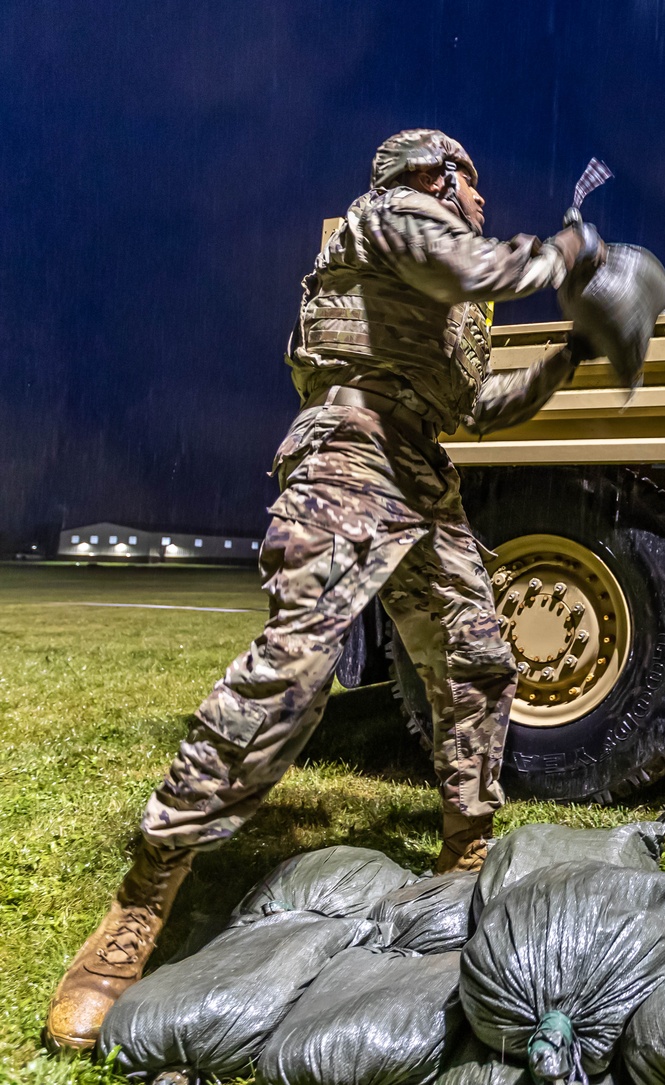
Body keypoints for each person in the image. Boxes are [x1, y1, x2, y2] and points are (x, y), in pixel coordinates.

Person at [45, 128, 604, 1052]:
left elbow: (477, 409)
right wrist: (572, 252)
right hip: (350, 454)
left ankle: (465, 854)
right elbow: (484, 264)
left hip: (423, 466)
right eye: (473, 185)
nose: (481, 202)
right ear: (436, 176)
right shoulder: (393, 221)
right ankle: (144, 899)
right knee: (295, 671)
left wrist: (571, 355)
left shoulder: (447, 290)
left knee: (479, 660)